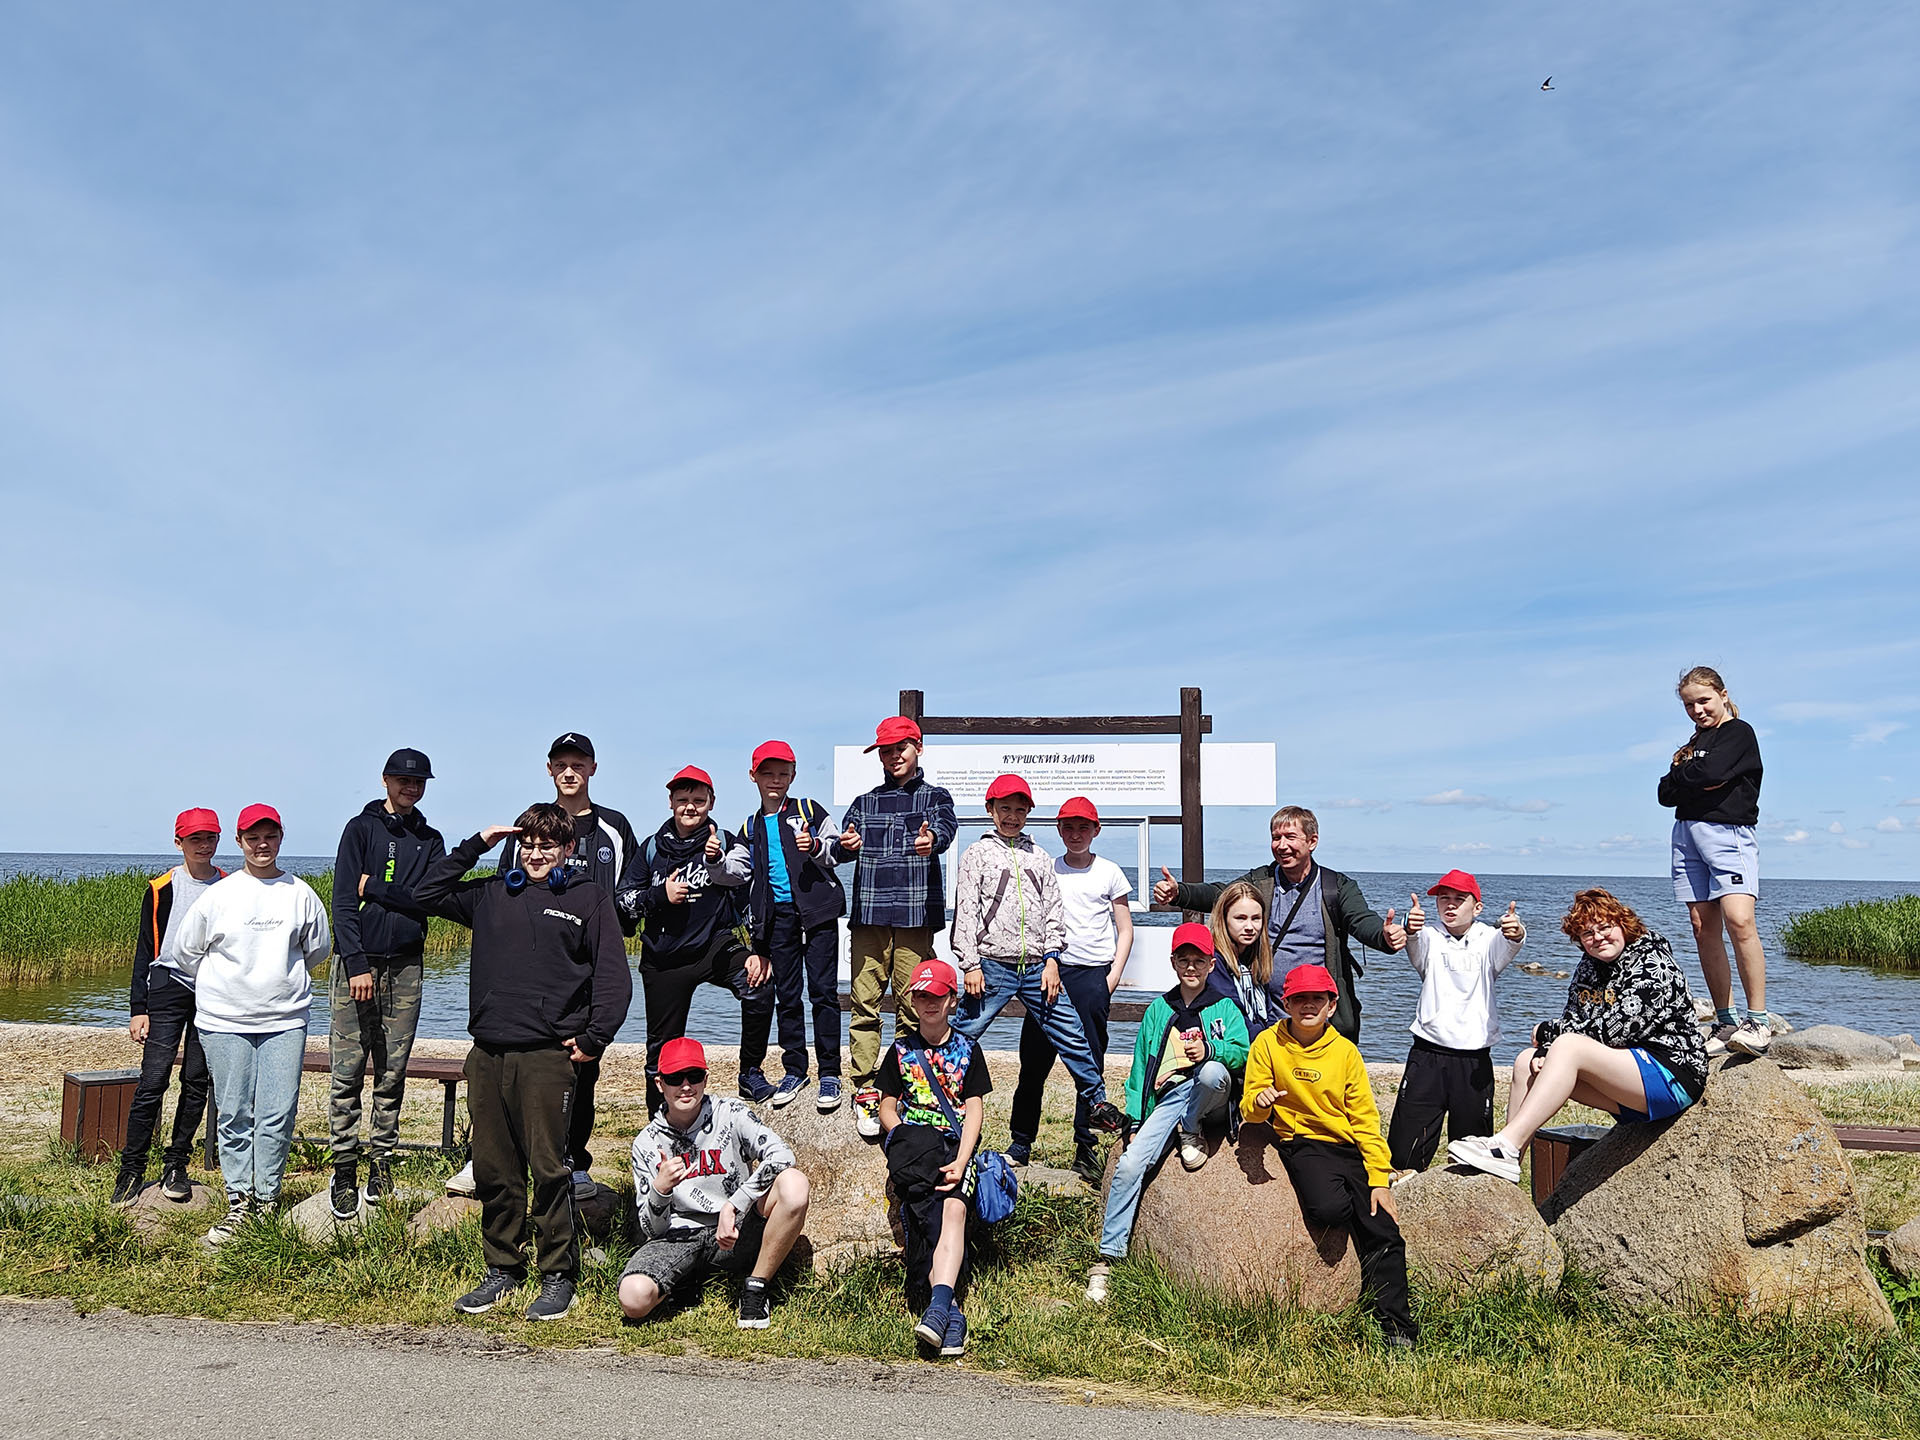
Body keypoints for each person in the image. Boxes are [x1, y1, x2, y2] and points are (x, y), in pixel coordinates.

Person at [418, 804, 632, 1322]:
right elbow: (420, 891)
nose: (536, 854)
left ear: (567, 851)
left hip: (547, 1056)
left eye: (547, 846)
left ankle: (558, 1275)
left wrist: (594, 1039)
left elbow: (613, 978)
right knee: (494, 1168)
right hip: (487, 1052)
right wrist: (477, 843)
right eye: (528, 844)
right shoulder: (492, 893)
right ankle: (502, 1270)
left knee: (550, 1169)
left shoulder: (587, 898)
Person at [1447, 889, 1709, 1184]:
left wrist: (1550, 1033)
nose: (1598, 937)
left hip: (1671, 1075)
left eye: (1605, 927)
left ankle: (1505, 1144)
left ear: (1623, 924)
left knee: (1568, 1046)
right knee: (1525, 1062)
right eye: (1587, 933)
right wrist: (1547, 1049)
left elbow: (1618, 1029)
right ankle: (1506, 1166)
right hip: (1627, 1082)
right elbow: (1574, 1017)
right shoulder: (1588, 965)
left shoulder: (1653, 962)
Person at [477, 732, 641, 1202]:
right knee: (517, 1070)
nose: (569, 771)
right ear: (549, 770)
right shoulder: (528, 827)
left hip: (591, 964)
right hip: (539, 971)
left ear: (592, 768)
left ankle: (575, 1160)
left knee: (581, 1071)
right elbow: (512, 889)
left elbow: (631, 892)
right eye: (560, 764)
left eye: (578, 763)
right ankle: (503, 1159)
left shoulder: (613, 827)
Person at [173, 805, 333, 1247]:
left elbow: (317, 949)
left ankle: (267, 1198)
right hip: (223, 1021)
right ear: (240, 841)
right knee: (234, 1112)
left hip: (285, 1019)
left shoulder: (301, 894)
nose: (262, 845)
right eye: (252, 837)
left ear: (281, 838)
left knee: (277, 1114)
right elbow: (186, 952)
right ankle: (239, 1199)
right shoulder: (218, 896)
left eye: (271, 836)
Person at [1241, 963, 1417, 1349]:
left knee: (1383, 1228)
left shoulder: (1345, 1053)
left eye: (1316, 999)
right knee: (1330, 1210)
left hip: (1347, 1145)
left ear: (1332, 1005)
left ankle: (1396, 1329)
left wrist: (1378, 1178)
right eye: (1299, 998)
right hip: (1302, 1142)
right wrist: (1261, 1101)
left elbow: (1365, 1119)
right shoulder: (1268, 1044)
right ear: (1285, 1002)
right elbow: (1250, 1107)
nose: (1308, 1006)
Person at [949, 774, 1124, 1139]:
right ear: (990, 810)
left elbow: (1052, 913)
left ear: (1028, 813)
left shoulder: (1039, 856)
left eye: (1019, 810)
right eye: (1005, 809)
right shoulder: (976, 854)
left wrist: (1051, 960)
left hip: (1037, 968)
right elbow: (964, 910)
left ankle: (1096, 1102)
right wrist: (970, 963)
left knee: (1072, 1032)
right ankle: (937, 1093)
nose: (1012, 816)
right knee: (964, 1031)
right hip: (992, 965)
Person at [1085, 923, 1248, 1303]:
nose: (1192, 967)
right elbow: (1141, 1068)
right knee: (1129, 1165)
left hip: (1212, 1098)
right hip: (1171, 1097)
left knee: (1210, 1074)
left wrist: (1211, 1051)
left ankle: (1191, 1130)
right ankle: (1109, 1258)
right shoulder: (1159, 1009)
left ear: (1212, 963)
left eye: (1200, 960)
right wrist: (1135, 1119)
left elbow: (1243, 1054)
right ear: (1173, 962)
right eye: (1184, 959)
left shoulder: (1225, 1007)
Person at [1153, 805, 1405, 1042]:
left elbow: (1361, 920)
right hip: (1271, 1014)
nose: (1281, 845)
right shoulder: (1262, 881)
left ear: (1312, 842)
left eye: (1290, 837)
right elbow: (1222, 895)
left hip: (1318, 1016)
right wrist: (1179, 893)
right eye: (1276, 837)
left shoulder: (1336, 887)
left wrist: (1385, 937)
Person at [824, 716, 958, 1140]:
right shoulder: (864, 802)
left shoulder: (936, 796)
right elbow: (841, 847)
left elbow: (946, 827)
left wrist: (931, 839)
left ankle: (902, 1083)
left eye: (900, 748)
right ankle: (864, 1087)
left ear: (917, 748)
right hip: (869, 914)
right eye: (885, 750)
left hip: (916, 915)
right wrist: (844, 847)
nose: (893, 756)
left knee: (911, 1004)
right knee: (864, 1002)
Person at [620, 1037, 813, 1330]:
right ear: (660, 1084)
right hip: (678, 1236)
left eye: (694, 1076)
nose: (686, 1086)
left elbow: (782, 1154)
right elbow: (652, 1230)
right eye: (675, 1078)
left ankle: (756, 1288)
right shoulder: (647, 1142)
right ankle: (682, 1281)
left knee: (794, 1184)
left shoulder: (731, 1113)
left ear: (706, 1078)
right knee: (633, 1301)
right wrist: (661, 1190)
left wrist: (736, 1204)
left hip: (736, 1230)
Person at [327, 747, 445, 1221]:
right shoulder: (360, 830)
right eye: (402, 780)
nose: (410, 788)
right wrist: (354, 961)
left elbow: (427, 899)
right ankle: (343, 1166)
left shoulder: (430, 839)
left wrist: (374, 886)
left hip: (407, 967)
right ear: (385, 780)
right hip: (357, 965)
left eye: (418, 782)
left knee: (392, 1071)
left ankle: (381, 1161)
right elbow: (341, 900)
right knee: (347, 1072)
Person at [615, 766, 771, 1116]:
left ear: (711, 803)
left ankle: (750, 1072)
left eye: (698, 800)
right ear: (670, 802)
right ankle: (660, 1119)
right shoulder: (652, 847)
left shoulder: (726, 842)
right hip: (664, 956)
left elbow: (749, 895)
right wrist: (659, 895)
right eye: (683, 800)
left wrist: (759, 950)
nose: (690, 807)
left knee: (759, 986)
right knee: (662, 1049)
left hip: (714, 947)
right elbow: (623, 898)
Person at [1006, 796, 1133, 1181]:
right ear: (1059, 830)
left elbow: (1125, 929)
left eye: (1083, 827)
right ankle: (1020, 1143)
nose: (1076, 834)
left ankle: (1086, 1148)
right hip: (1050, 972)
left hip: (1093, 975)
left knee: (1089, 1067)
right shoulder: (1047, 867)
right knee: (1033, 1062)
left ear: (1096, 830)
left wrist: (1111, 977)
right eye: (1068, 827)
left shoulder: (1110, 872)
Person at [1658, 666, 1774, 1056]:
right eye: (1690, 704)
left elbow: (1713, 770)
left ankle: (1758, 1021)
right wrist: (1692, 777)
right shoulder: (1695, 742)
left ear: (1723, 695)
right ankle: (1725, 1022)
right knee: (1701, 927)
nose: (1698, 710)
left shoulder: (1739, 734)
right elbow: (1665, 791)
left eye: (1704, 700)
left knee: (1739, 920)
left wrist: (1687, 776)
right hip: (1686, 834)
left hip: (1728, 834)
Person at [877, 958, 990, 1359]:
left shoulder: (969, 1049)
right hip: (915, 1147)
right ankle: (950, 1314)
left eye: (936, 996)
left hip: (956, 1146)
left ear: (952, 1000)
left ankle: (939, 1308)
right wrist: (901, 1137)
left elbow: (974, 1110)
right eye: (921, 996)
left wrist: (962, 1160)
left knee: (954, 1211)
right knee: (928, 1216)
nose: (928, 1003)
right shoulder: (900, 1050)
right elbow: (886, 1106)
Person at [112, 808, 223, 1206]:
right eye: (195, 838)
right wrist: (137, 1008)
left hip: (211, 992)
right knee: (153, 1081)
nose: (203, 845)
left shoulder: (229, 885)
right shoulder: (161, 888)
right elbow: (144, 950)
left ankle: (177, 1163)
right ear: (179, 842)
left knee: (196, 1081)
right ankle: (132, 1168)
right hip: (166, 987)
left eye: (210, 837)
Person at [1385, 870, 1524, 1176]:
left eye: (1459, 900)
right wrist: (1410, 926)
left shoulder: (1489, 938)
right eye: (1443, 899)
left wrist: (1515, 931)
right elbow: (1414, 941)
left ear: (1477, 907)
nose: (1450, 906)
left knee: (1471, 1152)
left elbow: (1509, 941)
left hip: (1474, 1060)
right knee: (1405, 1151)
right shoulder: (1429, 936)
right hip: (1427, 1055)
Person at [737, 741, 847, 1113]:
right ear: (753, 776)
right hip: (777, 919)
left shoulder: (807, 809)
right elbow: (738, 872)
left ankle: (830, 1071)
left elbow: (837, 849)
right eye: (767, 772)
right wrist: (716, 859)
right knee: (788, 996)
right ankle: (795, 1069)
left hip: (818, 914)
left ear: (793, 775)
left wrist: (815, 845)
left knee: (823, 993)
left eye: (783, 773)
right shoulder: (750, 825)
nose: (775, 779)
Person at [1203, 879, 1277, 1039]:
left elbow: (1268, 1011)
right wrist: (1266, 1043)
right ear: (1224, 919)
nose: (1249, 927)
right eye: (1240, 918)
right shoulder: (1215, 961)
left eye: (1256, 918)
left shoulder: (1257, 957)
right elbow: (1233, 1013)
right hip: (1233, 1046)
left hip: (1261, 1044)